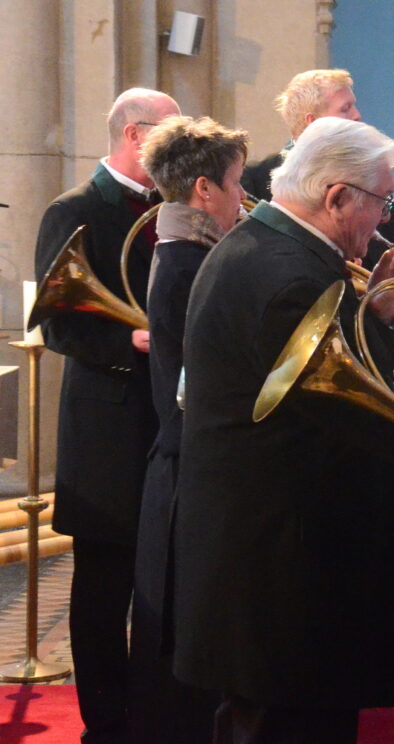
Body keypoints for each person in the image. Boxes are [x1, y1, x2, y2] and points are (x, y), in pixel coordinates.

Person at [170, 116, 394, 744]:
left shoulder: (263, 245)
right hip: (288, 577)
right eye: (380, 203)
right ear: (337, 196)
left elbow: (328, 389)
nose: (385, 220)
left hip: (276, 564)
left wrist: (386, 318)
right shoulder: (291, 277)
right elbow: (357, 413)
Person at [33, 86, 180, 744]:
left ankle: (154, 710)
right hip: (106, 430)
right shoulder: (73, 210)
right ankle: (106, 723)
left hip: (165, 420)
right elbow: (58, 327)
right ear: (136, 138)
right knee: (102, 587)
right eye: (172, 139)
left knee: (161, 576)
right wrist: (129, 341)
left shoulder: (173, 210)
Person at [127, 115, 249, 744]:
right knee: (180, 662)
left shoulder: (186, 253)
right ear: (204, 190)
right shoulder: (185, 265)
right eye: (235, 184)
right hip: (186, 475)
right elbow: (190, 391)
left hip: (185, 469)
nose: (242, 197)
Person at [240, 68, 394, 267]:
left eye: (355, 107)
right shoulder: (254, 180)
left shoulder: (362, 174)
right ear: (314, 122)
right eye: (345, 109)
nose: (358, 116)